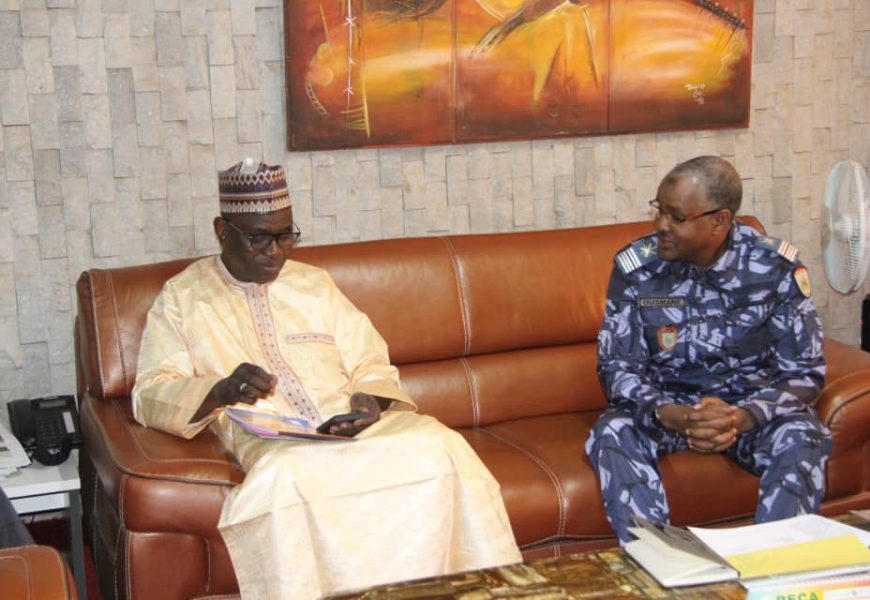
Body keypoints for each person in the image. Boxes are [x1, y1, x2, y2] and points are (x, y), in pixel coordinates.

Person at [132, 160, 521, 598]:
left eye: (285, 236)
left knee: (440, 445)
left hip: (353, 428)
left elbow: (370, 360)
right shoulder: (183, 297)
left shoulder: (315, 285)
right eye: (259, 238)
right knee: (286, 477)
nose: (275, 251)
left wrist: (368, 402)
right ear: (222, 231)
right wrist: (220, 389)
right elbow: (151, 390)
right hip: (275, 441)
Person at [585, 155, 830, 544]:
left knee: (804, 435)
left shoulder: (773, 267)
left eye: (676, 217)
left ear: (720, 220)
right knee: (612, 431)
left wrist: (743, 417)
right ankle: (657, 560)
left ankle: (777, 566)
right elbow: (617, 366)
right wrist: (673, 414)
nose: (660, 225)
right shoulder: (637, 269)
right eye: (658, 210)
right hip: (667, 408)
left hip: (748, 412)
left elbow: (804, 370)